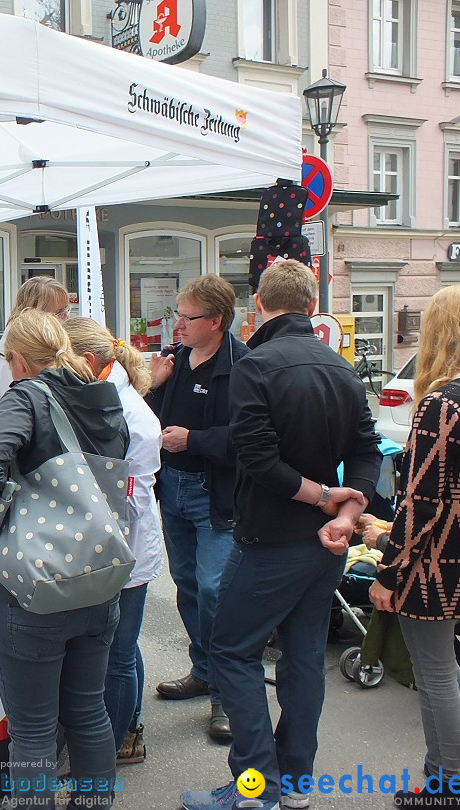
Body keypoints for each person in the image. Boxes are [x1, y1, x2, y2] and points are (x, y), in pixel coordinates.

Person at [183, 259, 381, 810]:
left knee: (231, 652)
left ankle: (256, 788)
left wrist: (329, 502)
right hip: (325, 543)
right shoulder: (337, 367)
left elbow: (257, 458)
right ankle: (293, 787)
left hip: (272, 537)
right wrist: (345, 510)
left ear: (258, 306)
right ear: (313, 307)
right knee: (301, 657)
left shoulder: (257, 363)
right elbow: (366, 452)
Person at [0, 309, 128, 809]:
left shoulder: (27, 394)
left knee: (33, 730)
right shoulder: (102, 396)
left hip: (35, 589)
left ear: (17, 357)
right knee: (88, 711)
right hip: (99, 578)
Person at [370, 284, 460, 806]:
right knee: (446, 667)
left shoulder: (444, 403)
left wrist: (388, 568)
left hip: (437, 561)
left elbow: (422, 502)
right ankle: (456, 770)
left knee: (435, 671)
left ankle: (447, 782)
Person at [144, 275, 247, 742]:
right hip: (174, 489)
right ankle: (203, 671)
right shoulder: (176, 362)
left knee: (214, 589)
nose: (178, 325)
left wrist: (194, 440)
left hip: (214, 494)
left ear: (217, 321)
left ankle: (227, 695)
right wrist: (152, 386)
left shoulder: (242, 365)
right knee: (187, 585)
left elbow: (250, 439)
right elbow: (145, 424)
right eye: (177, 316)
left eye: (187, 318)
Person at [64, 317, 163, 766]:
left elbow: (129, 503)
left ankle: (112, 749)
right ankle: (129, 728)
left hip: (125, 554)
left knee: (118, 656)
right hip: (116, 551)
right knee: (124, 648)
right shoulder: (107, 398)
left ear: (87, 362)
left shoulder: (128, 415)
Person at [0, 276, 70, 421]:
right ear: (35, 314)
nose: (66, 319)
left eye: (66, 311)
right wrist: (6, 421)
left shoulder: (66, 347)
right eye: (59, 313)